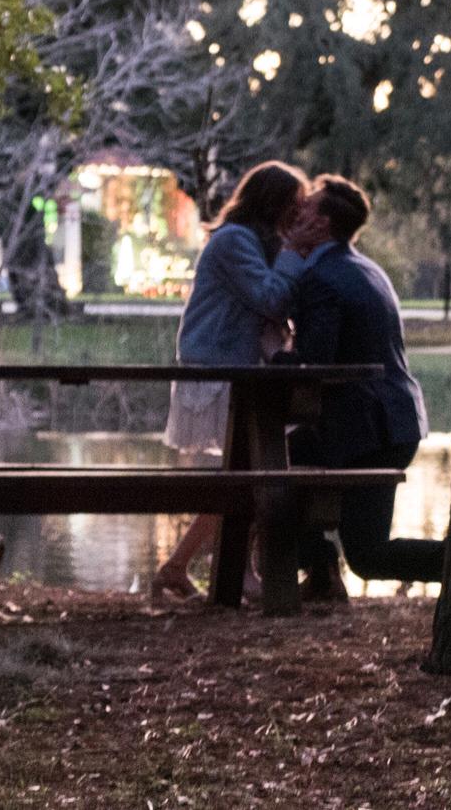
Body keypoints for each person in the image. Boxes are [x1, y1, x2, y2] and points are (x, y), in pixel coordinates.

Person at [284, 175, 451, 599]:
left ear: (322, 224)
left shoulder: (321, 278)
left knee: (365, 553)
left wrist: (271, 359)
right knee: (280, 463)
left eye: (306, 208)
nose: (295, 213)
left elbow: (313, 363)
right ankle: (319, 569)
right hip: (392, 422)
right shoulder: (364, 268)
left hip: (363, 431)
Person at [151, 160, 331, 599]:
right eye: (292, 207)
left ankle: (182, 567)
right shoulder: (234, 241)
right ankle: (214, 570)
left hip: (242, 372)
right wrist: (292, 255)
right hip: (218, 371)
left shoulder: (256, 244)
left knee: (249, 473)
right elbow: (269, 298)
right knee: (249, 474)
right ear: (271, 204)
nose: (296, 218)